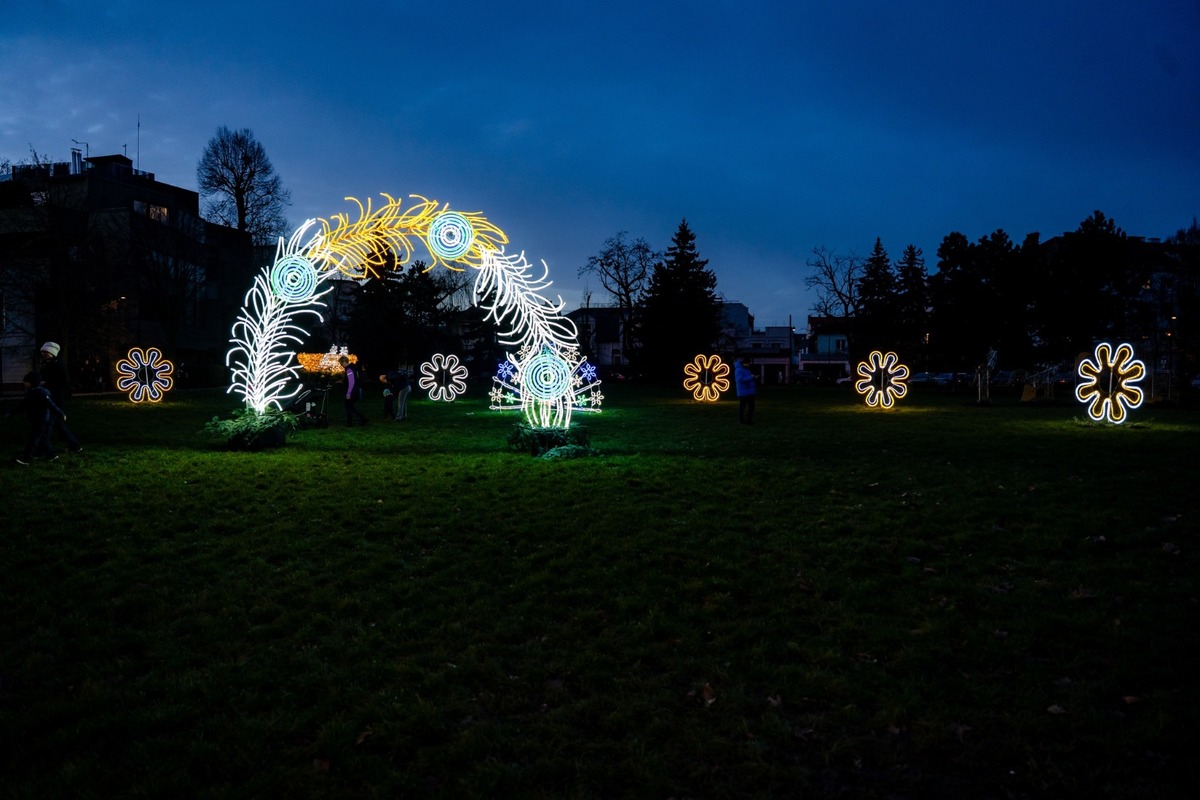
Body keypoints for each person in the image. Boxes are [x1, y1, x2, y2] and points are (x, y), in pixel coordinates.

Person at [15, 371, 66, 465]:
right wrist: (12, 413)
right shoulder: (30, 393)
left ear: (32, 382)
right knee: (42, 439)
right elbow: (23, 405)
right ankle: (51, 456)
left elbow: (51, 405)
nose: (24, 383)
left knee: (34, 439)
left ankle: (26, 458)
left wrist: (61, 414)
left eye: (26, 381)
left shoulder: (41, 393)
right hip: (35, 419)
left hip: (41, 420)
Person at [39, 341, 82, 452]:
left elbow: (63, 381)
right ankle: (75, 445)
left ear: (52, 353)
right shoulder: (47, 364)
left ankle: (43, 448)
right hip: (52, 396)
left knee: (50, 423)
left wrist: (46, 383)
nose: (43, 354)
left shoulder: (58, 364)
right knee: (58, 424)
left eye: (46, 352)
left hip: (56, 397)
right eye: (43, 352)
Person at [339, 355, 367, 426]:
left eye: (341, 363)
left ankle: (351, 422)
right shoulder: (353, 368)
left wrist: (348, 393)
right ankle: (360, 419)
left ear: (345, 362)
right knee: (351, 407)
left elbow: (351, 382)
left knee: (349, 407)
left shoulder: (349, 370)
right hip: (355, 390)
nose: (341, 365)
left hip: (352, 391)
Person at [735, 357, 757, 425]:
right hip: (744, 391)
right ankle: (743, 421)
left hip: (748, 391)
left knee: (750, 407)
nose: (749, 365)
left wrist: (752, 377)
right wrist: (752, 377)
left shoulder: (746, 370)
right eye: (748, 363)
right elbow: (740, 380)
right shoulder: (739, 370)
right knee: (743, 406)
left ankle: (747, 420)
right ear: (745, 363)